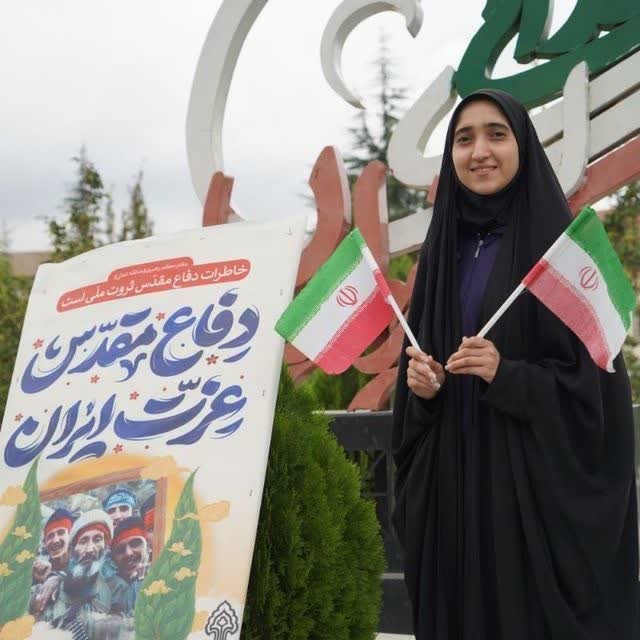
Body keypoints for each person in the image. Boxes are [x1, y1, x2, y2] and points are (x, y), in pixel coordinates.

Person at [392, 89, 639, 640]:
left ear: (523, 146)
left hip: (528, 509)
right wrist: (423, 390)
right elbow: (414, 392)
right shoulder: (442, 253)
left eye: (496, 134)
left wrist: (509, 376)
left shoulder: (560, 254)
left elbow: (596, 396)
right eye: (464, 139)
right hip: (454, 503)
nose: (480, 151)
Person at [107, 516, 150, 616]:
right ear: (114, 559)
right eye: (121, 550)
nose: (128, 553)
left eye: (135, 544)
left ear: (148, 546)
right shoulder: (108, 589)